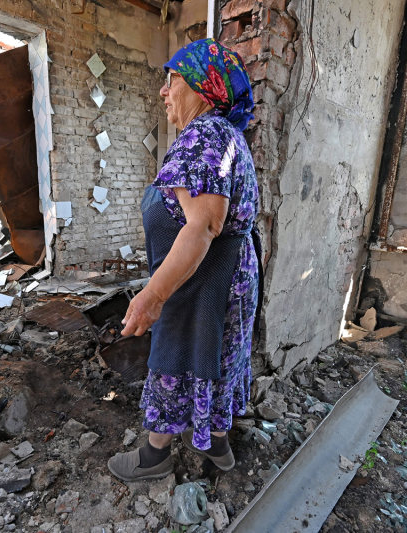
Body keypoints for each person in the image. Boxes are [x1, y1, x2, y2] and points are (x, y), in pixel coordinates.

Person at [107, 38, 260, 482]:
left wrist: (153, 295)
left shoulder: (206, 136)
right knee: (216, 361)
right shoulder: (220, 136)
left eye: (170, 79)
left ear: (200, 86)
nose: (163, 91)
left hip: (205, 282)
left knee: (177, 354)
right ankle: (216, 444)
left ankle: (155, 458)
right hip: (217, 275)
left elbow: (202, 226)